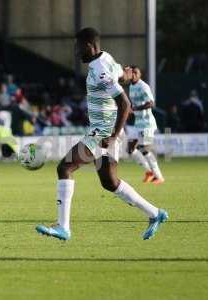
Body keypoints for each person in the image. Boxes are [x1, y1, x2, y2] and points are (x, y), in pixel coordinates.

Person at [36, 28, 168, 241]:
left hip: (102, 132)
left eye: (78, 47)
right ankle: (155, 213)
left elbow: (125, 103)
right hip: (105, 130)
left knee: (65, 167)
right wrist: (124, 75)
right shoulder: (106, 58)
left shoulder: (99, 69)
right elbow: (121, 75)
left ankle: (63, 227)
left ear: (89, 45)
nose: (76, 52)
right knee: (109, 182)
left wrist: (114, 135)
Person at [127, 66, 164, 184]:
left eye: (137, 73)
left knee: (145, 149)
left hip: (147, 124)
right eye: (134, 72)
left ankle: (159, 177)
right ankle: (149, 171)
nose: (135, 74)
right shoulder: (131, 86)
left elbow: (151, 103)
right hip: (138, 124)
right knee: (130, 149)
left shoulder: (143, 86)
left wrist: (135, 108)